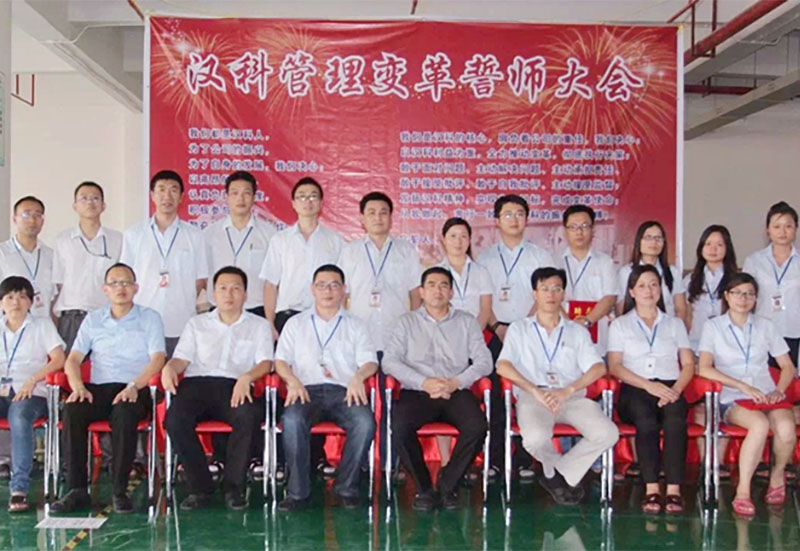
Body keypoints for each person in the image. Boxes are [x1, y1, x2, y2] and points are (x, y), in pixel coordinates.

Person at [50, 263, 165, 514]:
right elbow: (73, 360)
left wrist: (134, 386)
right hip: (100, 387)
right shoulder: (93, 320)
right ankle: (76, 489)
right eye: (114, 283)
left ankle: (119, 490)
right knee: (73, 410)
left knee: (124, 412)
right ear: (105, 289)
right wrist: (78, 387)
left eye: (126, 283)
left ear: (136, 288)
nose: (120, 288)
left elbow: (158, 359)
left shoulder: (150, 318)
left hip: (135, 387)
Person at [497, 267, 618, 505]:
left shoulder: (577, 331)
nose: (551, 294)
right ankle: (557, 476)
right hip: (534, 396)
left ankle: (558, 475)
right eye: (544, 289)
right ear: (535, 294)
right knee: (535, 438)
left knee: (608, 433)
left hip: (570, 396)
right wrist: (534, 390)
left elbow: (598, 368)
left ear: (563, 294)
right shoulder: (519, 329)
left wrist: (568, 390)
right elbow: (503, 366)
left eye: (556, 289)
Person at [163, 266, 273, 511]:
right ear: (214, 294)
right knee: (175, 420)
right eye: (223, 288)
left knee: (248, 416)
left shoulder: (258, 325)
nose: (228, 294)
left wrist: (247, 377)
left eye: (235, 289)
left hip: (235, 385)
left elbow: (266, 362)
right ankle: (200, 487)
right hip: (197, 384)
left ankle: (233, 487)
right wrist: (169, 367)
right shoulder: (197, 323)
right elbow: (181, 359)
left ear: (245, 294)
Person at [383, 267, 493, 510]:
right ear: (421, 292)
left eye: (444, 285)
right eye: (431, 285)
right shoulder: (406, 322)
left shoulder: (466, 321)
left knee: (477, 426)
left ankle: (447, 485)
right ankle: (423, 488)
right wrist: (424, 382)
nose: (438, 290)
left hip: (455, 390)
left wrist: (457, 382)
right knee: (399, 427)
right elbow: (389, 361)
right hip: (418, 391)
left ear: (451, 292)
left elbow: (485, 362)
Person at [274, 264, 378, 511]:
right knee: (292, 421)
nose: (328, 291)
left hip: (344, 391)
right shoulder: (295, 323)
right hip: (305, 390)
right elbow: (280, 361)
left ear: (344, 290)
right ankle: (297, 493)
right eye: (322, 285)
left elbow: (370, 362)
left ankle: (346, 488)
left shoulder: (356, 325)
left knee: (364, 423)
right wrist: (292, 381)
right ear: (312, 289)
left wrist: (358, 377)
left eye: (334, 285)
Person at [697, 272, 797, 516]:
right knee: (759, 425)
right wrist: (741, 386)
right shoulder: (713, 326)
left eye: (749, 294)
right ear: (726, 296)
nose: (743, 299)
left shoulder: (766, 326)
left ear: (756, 299)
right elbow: (704, 368)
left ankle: (777, 475)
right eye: (738, 293)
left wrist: (779, 390)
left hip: (767, 394)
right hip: (733, 396)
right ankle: (743, 490)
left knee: (786, 427)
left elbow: (787, 366)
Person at [477, 194, 553, 479]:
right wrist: (497, 326)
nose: (514, 219)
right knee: (496, 397)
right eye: (507, 214)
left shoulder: (540, 256)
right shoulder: (484, 258)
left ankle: (523, 459)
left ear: (527, 219)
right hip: (495, 332)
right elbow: (483, 299)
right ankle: (496, 459)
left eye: (519, 214)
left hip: (530, 332)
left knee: (527, 395)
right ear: (497, 221)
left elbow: (546, 296)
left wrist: (522, 327)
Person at [608, 264, 694, 514]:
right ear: (632, 291)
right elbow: (615, 366)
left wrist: (676, 389)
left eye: (654, 285)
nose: (648, 290)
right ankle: (652, 489)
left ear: (661, 290)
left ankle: (674, 490)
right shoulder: (620, 325)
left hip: (670, 387)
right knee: (646, 421)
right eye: (642, 286)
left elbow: (689, 364)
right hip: (636, 387)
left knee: (675, 421)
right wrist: (648, 385)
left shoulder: (675, 324)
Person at [120, 170, 207, 358]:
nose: (167, 196)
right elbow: (124, 279)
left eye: (173, 190)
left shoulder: (195, 236)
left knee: (176, 374)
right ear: (152, 195)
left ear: (182, 197)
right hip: (141, 324)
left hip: (181, 323)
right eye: (161, 190)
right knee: (144, 374)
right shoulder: (134, 234)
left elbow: (201, 280)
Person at [0, 276, 65, 512]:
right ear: (1, 302)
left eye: (22, 296)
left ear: (30, 301)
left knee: (19, 417)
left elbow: (59, 359)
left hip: (33, 393)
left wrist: (33, 379)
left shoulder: (42, 325)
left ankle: (19, 489)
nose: (15, 302)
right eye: (9, 297)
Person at [260, 176, 343, 335]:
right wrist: (270, 323)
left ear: (321, 203)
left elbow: (341, 285)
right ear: (294, 203)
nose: (308, 202)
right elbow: (270, 284)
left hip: (324, 316)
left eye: (313, 197)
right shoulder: (280, 239)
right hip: (287, 316)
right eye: (302, 197)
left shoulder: (335, 240)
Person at [52, 182, 123, 350]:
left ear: (103, 206)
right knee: (71, 366)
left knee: (106, 366)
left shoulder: (117, 239)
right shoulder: (63, 239)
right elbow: (58, 284)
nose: (90, 202)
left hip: (106, 317)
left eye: (95, 198)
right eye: (84, 198)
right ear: (75, 206)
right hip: (71, 318)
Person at [204, 171, 276, 318]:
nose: (240, 198)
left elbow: (273, 279)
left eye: (246, 193)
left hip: (256, 310)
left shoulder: (270, 234)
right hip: (219, 310)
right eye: (235, 193)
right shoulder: (209, 233)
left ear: (254, 197)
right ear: (226, 197)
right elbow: (203, 274)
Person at [742, 201, 799, 366]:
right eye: (777, 226)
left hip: (794, 331)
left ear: (796, 228)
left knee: (792, 379)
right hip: (762, 332)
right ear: (768, 229)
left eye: (788, 226)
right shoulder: (754, 261)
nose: (782, 231)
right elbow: (745, 297)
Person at [554, 205, 617, 353]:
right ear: (565, 231)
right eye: (573, 227)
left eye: (584, 226)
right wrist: (568, 323)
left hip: (596, 335)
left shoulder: (605, 262)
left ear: (593, 229)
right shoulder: (554, 261)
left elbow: (610, 297)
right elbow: (548, 297)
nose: (579, 232)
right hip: (560, 331)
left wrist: (587, 321)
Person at [616, 221, 687, 324]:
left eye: (658, 238)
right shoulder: (626, 272)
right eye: (648, 237)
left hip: (668, 329)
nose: (654, 242)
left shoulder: (672, 272)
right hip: (635, 329)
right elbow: (620, 308)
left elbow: (680, 309)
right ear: (639, 241)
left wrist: (675, 329)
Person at [684, 225, 738, 353]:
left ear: (727, 248)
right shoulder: (690, 279)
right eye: (708, 244)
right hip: (697, 344)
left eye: (719, 245)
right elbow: (688, 314)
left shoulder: (736, 279)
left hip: (728, 346)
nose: (713, 249)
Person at [0, 196, 55, 320]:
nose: (32, 220)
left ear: (42, 221)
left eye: (37, 215)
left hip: (43, 326)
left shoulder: (51, 256)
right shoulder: (2, 253)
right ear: (14, 219)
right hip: (8, 327)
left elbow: (54, 299)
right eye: (26, 214)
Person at [438, 217, 492, 327]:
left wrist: (473, 332)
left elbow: (485, 310)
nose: (458, 242)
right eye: (453, 236)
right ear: (443, 240)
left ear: (469, 240)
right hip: (444, 330)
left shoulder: (481, 272)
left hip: (476, 330)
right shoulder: (435, 273)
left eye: (463, 236)